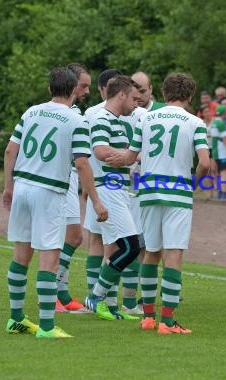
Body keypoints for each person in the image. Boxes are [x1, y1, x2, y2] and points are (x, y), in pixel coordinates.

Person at [3, 67, 107, 338]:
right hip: (49, 191)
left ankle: (16, 318)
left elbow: (10, 150)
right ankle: (47, 327)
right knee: (49, 257)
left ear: (50, 89)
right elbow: (82, 162)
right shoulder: (76, 121)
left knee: (21, 256)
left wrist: (8, 186)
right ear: (73, 90)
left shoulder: (31, 112)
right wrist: (96, 201)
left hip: (23, 187)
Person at [110, 72, 210, 334]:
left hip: (149, 191)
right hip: (177, 192)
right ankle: (167, 321)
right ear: (189, 96)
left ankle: (148, 316)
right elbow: (206, 163)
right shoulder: (195, 122)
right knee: (173, 253)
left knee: (151, 252)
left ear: (164, 94)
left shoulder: (146, 119)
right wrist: (193, 183)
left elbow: (131, 157)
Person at [82, 75, 143, 321]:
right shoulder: (101, 118)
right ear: (121, 95)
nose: (136, 104)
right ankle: (95, 297)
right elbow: (99, 150)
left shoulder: (116, 120)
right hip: (108, 189)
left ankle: (110, 304)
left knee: (118, 248)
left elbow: (120, 153)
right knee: (131, 247)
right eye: (133, 98)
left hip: (119, 189)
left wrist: (127, 156)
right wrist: (128, 156)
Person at [54, 63, 93, 313]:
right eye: (83, 85)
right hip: (60, 179)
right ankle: (56, 295)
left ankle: (61, 294)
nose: (87, 90)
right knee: (66, 237)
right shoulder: (65, 113)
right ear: (71, 83)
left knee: (72, 237)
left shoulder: (76, 111)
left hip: (69, 179)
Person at [211, 104, 226, 200]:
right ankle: (224, 194)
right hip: (223, 153)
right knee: (225, 172)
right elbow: (225, 139)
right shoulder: (221, 124)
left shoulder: (214, 123)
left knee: (218, 173)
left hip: (215, 151)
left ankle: (219, 193)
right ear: (224, 113)